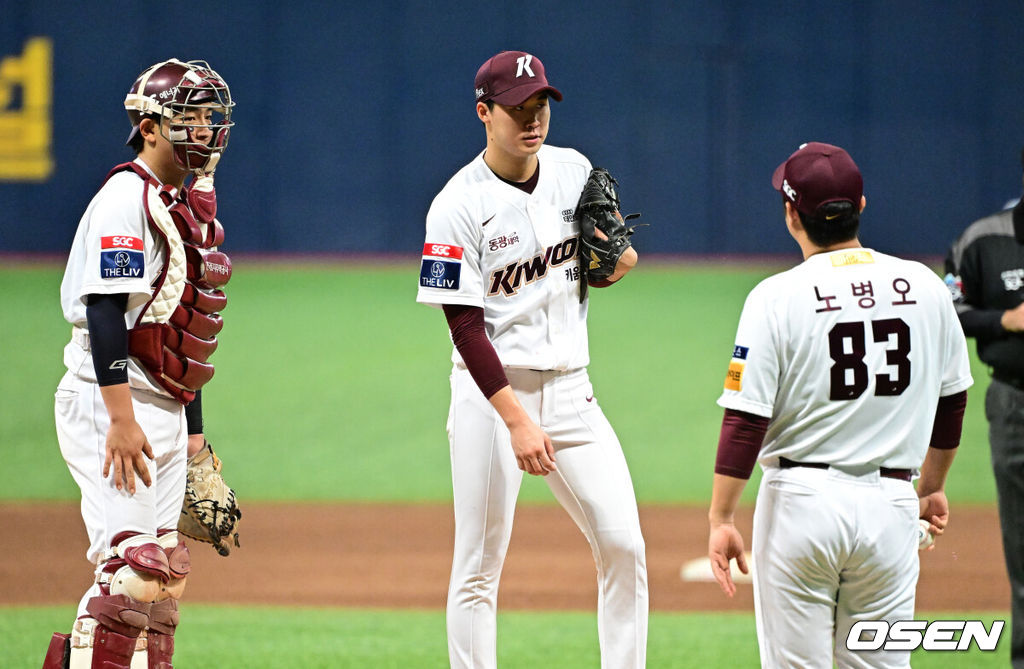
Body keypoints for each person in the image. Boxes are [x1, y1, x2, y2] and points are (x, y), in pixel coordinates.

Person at [415, 50, 648, 668]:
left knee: (625, 545)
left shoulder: (574, 172)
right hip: (491, 398)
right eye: (518, 108)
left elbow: (608, 267)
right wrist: (515, 419)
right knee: (479, 565)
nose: (533, 118)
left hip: (574, 390)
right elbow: (463, 326)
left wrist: (616, 260)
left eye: (541, 104)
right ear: (483, 113)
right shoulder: (456, 204)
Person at [706, 142, 973, 668]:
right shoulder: (925, 285)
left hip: (801, 507)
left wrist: (721, 516)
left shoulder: (774, 297)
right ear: (862, 206)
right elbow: (953, 401)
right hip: (891, 508)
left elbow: (745, 420)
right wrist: (933, 487)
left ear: (791, 213)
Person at [42, 58, 237, 669]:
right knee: (130, 574)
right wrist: (121, 418)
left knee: (165, 583)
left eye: (212, 117)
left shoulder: (181, 204)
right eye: (191, 117)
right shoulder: (124, 199)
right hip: (112, 402)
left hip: (163, 406)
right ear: (150, 126)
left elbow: (185, 335)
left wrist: (196, 439)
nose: (206, 130)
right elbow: (105, 312)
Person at [945, 150, 1024, 668]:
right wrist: (1006, 321)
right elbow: (949, 308)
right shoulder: (983, 239)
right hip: (1015, 403)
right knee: (1021, 544)